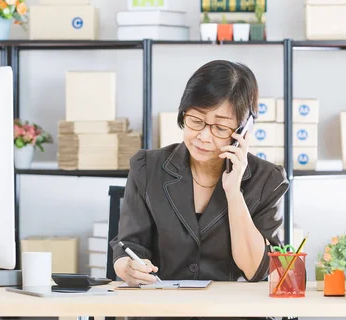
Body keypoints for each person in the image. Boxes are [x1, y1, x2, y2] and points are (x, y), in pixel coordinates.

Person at [109, 60, 290, 320]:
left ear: (243, 129)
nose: (204, 136)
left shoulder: (267, 179)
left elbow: (256, 271)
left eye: (220, 127)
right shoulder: (147, 167)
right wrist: (126, 267)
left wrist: (234, 191)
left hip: (233, 316)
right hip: (163, 314)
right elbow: (129, 245)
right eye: (195, 120)